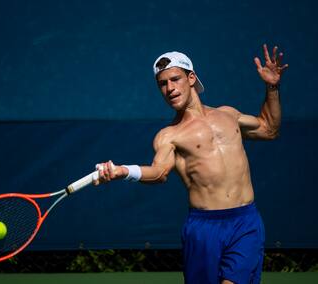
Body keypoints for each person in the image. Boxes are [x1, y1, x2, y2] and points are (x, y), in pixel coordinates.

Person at [94, 44, 288, 284]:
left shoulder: (228, 115)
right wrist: (123, 171)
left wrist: (272, 87)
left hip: (245, 221)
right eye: (162, 84)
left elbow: (269, 129)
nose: (170, 88)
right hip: (204, 229)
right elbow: (159, 172)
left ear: (192, 78)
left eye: (175, 79)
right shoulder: (168, 135)